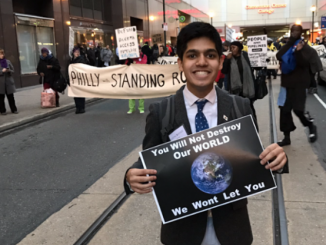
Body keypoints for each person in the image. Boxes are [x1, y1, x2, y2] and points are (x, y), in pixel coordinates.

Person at [124, 22, 287, 245]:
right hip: (183, 231)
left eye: (210, 55)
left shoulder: (240, 106)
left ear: (220, 61)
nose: (201, 62)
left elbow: (255, 159)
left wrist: (277, 159)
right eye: (192, 55)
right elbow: (149, 161)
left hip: (231, 229)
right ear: (180, 63)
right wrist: (130, 176)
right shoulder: (161, 112)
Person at [276, 24, 319, 146]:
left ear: (301, 32)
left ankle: (310, 126)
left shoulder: (305, 47)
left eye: (297, 31)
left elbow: (305, 64)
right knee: (284, 110)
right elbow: (279, 55)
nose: (295, 33)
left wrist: (299, 52)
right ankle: (286, 137)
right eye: (293, 30)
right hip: (287, 83)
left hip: (300, 84)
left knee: (298, 110)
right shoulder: (288, 44)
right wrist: (290, 44)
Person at [221, 41, 258, 120]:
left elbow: (255, 66)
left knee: (249, 108)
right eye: (231, 48)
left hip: (247, 88)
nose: (232, 49)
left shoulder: (246, 56)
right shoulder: (229, 58)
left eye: (234, 47)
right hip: (235, 89)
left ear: (239, 48)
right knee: (236, 109)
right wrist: (227, 60)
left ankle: (253, 126)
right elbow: (224, 71)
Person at [125, 49, 147, 114]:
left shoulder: (143, 56)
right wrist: (128, 61)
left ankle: (141, 108)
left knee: (140, 92)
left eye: (139, 49)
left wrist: (134, 63)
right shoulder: (130, 57)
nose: (138, 51)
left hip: (140, 76)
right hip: (131, 76)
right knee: (131, 92)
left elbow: (144, 63)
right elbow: (126, 65)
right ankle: (131, 108)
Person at [69, 47, 89, 114]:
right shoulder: (71, 60)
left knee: (81, 94)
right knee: (75, 94)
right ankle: (77, 107)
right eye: (75, 52)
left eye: (78, 52)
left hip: (80, 79)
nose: (77, 53)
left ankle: (82, 108)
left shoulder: (82, 59)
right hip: (74, 79)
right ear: (73, 53)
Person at [0, 49, 18, 115]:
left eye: (2, 54)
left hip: (8, 81)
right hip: (1, 83)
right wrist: (2, 71)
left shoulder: (7, 61)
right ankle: (2, 110)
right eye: (0, 54)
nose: (1, 55)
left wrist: (9, 70)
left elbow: (13, 70)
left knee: (11, 97)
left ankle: (14, 109)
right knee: (1, 98)